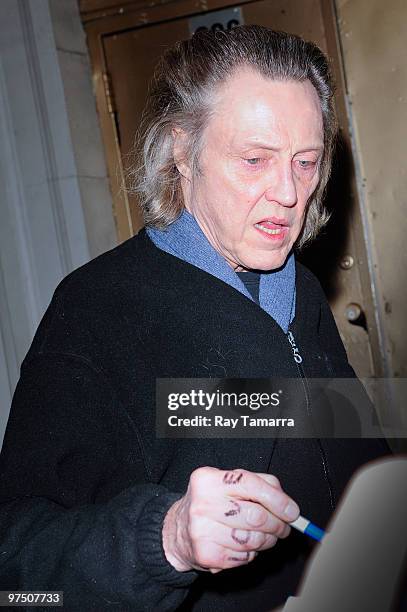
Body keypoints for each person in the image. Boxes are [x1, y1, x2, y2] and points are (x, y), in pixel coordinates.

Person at [0, 26, 389, 611]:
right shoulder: (95, 310)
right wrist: (167, 538)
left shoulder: (302, 289)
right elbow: (17, 569)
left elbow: (358, 470)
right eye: (254, 160)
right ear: (182, 152)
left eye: (305, 162)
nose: (288, 193)